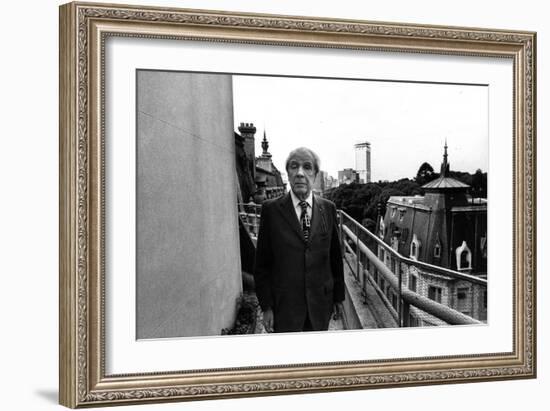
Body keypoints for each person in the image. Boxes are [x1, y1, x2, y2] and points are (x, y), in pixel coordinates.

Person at [254, 147, 345, 333]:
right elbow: (262, 265)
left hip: (320, 305)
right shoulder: (271, 210)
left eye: (307, 167)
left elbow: (335, 258)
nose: (300, 173)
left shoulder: (328, 209)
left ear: (315, 174)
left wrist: (338, 298)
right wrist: (266, 307)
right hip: (285, 308)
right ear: (287, 172)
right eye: (294, 167)